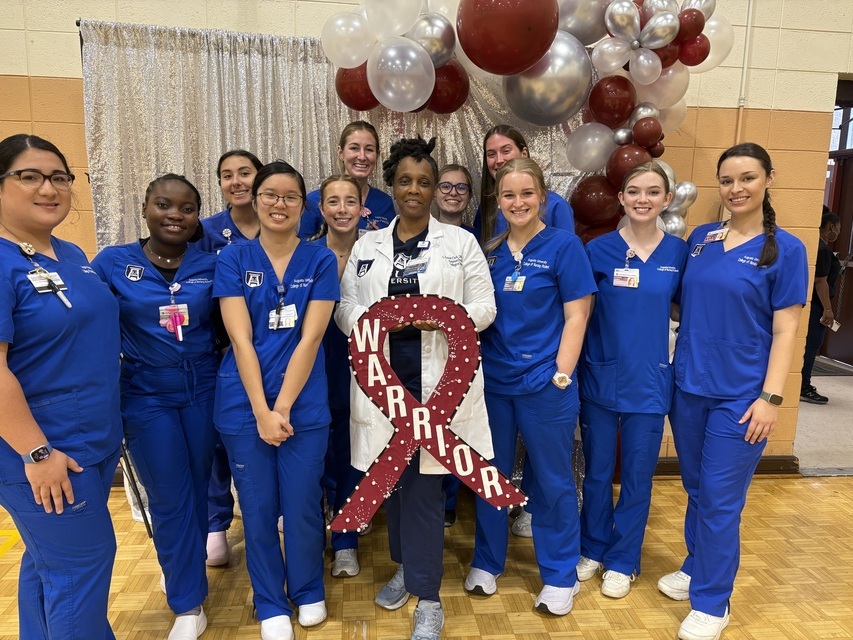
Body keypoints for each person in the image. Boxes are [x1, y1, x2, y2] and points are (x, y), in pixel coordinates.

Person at [336, 136, 496, 640]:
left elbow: (485, 307)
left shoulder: (461, 243)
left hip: (436, 390)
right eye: (405, 180)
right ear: (391, 185)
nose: (414, 189)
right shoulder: (368, 246)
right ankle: (406, 568)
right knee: (394, 485)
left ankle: (428, 597)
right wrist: (373, 323)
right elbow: (344, 308)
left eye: (424, 182)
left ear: (433, 190)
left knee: (424, 490)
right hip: (384, 388)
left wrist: (444, 319)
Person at [659, 143, 808, 640]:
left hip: (742, 398)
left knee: (721, 500)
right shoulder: (701, 239)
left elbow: (787, 330)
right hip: (689, 386)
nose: (736, 189)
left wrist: (771, 398)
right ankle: (696, 564)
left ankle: (712, 602)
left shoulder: (786, 249)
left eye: (747, 178)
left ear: (768, 179)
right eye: (727, 180)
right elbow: (680, 304)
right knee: (696, 488)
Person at [0, 134, 122, 638]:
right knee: (81, 566)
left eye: (59, 177)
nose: (48, 188)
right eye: (29, 176)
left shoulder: (69, 253)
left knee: (50, 564)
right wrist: (37, 453)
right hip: (43, 453)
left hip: (92, 440)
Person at [213, 160, 339, 640]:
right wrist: (262, 411)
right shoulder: (233, 258)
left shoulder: (320, 260)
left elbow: (311, 337)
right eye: (270, 194)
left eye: (290, 197)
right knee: (258, 506)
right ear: (255, 199)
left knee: (303, 503)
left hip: (302, 404)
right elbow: (240, 340)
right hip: (244, 405)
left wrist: (281, 408)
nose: (279, 204)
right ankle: (269, 601)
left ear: (303, 206)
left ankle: (307, 589)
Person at [465, 157, 596, 616]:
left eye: (526, 193)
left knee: (553, 480)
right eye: (508, 194)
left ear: (542, 196)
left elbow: (578, 314)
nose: (517, 202)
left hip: (546, 383)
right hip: (495, 384)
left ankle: (560, 575)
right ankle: (487, 562)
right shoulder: (491, 252)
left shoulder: (564, 246)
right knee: (490, 475)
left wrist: (561, 374)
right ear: (498, 200)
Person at [92, 174, 220, 639]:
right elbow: (88, 326)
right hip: (146, 394)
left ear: (197, 217)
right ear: (145, 207)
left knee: (199, 487)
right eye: (164, 205)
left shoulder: (211, 265)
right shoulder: (112, 263)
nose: (175, 215)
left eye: (187, 208)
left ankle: (184, 568)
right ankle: (188, 604)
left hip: (203, 389)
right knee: (168, 495)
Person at [575, 162, 688, 599]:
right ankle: (592, 548)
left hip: (651, 380)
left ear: (666, 199)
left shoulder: (678, 254)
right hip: (601, 376)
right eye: (634, 191)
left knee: (638, 478)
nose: (643, 199)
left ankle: (623, 560)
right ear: (621, 198)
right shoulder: (598, 250)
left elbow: (685, 310)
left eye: (653, 192)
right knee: (598, 473)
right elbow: (579, 314)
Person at [195, 149, 264, 566]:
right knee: (218, 441)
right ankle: (216, 524)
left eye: (245, 173)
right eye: (227, 175)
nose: (236, 181)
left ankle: (275, 508)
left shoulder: (284, 221)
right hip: (219, 352)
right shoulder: (205, 232)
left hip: (275, 351)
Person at [308, 174, 364, 576]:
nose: (342, 209)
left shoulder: (377, 250)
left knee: (352, 450)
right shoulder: (306, 254)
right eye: (333, 201)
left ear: (362, 208)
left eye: (350, 201)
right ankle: (311, 536)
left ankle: (346, 539)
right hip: (313, 362)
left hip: (362, 363)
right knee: (312, 453)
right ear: (321, 208)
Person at [433, 162, 475, 525]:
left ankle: (448, 501)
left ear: (470, 196)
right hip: (422, 347)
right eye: (446, 186)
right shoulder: (417, 235)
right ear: (435, 192)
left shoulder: (478, 240)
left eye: (461, 188)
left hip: (463, 349)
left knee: (455, 428)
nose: (452, 193)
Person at [473, 124, 575, 246]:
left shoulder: (556, 206)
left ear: (524, 153)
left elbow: (567, 250)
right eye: (491, 154)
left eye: (506, 151)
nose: (499, 160)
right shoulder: (487, 205)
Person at [299, 121, 395, 240]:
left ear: (377, 155)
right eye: (354, 148)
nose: (362, 157)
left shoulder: (384, 202)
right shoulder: (314, 201)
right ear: (340, 153)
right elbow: (304, 247)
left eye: (369, 149)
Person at [800, 208, 842, 404]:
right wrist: (828, 309)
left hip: (812, 304)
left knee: (809, 346)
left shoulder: (816, 245)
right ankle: (804, 387)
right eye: (839, 227)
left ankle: (803, 384)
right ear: (831, 226)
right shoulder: (823, 249)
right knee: (811, 347)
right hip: (817, 306)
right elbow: (820, 281)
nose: (839, 231)